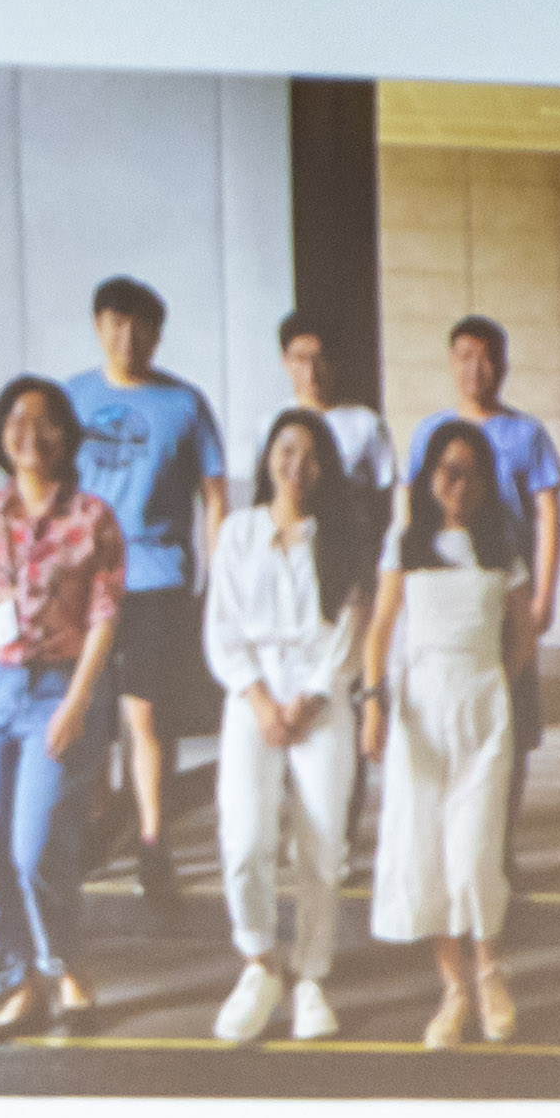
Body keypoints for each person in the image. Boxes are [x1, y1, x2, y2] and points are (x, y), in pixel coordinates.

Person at [0, 374, 127, 1037]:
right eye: (15, 420)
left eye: (43, 421)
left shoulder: (92, 518)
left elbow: (104, 617)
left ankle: (68, 968)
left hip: (55, 690)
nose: (28, 433)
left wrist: (79, 701)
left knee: (35, 849)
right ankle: (16, 985)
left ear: (65, 434)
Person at [364, 424, 538, 1044]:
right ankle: (453, 989)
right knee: (428, 848)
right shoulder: (406, 542)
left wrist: (493, 682)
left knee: (475, 849)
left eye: (471, 472)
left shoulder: (502, 546)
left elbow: (524, 633)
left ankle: (490, 974)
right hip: (421, 708)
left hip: (482, 706)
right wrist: (374, 705)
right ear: (428, 477)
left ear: (487, 481)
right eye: (447, 470)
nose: (458, 484)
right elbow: (380, 629)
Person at [207, 411, 372, 1043]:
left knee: (322, 848)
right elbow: (222, 628)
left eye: (310, 455)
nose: (296, 465)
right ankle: (260, 963)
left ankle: (310, 977)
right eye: (285, 450)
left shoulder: (341, 537)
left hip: (321, 699)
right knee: (246, 840)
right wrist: (260, 701)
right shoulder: (239, 533)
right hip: (251, 697)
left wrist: (309, 699)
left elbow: (350, 629)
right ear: (267, 458)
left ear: (325, 468)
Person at [67, 276, 226, 906]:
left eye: (140, 327)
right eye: (115, 323)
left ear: (158, 334)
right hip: (84, 578)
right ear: (98, 326)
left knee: (146, 713)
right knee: (87, 710)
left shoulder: (184, 404)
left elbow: (215, 497)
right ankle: (97, 818)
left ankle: (153, 841)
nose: (126, 337)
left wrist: (218, 581)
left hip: (157, 577)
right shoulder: (72, 398)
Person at [417, 313, 560, 865]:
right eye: (464, 356)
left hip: (505, 595)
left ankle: (498, 847)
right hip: (445, 600)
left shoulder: (526, 434)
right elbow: (411, 511)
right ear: (450, 362)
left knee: (511, 721)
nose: (474, 368)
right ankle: (446, 846)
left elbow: (549, 515)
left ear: (502, 366)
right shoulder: (431, 433)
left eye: (485, 357)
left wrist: (543, 595)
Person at [278, 308, 393, 505]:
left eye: (319, 358)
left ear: (334, 360)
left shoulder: (366, 423)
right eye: (301, 359)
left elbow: (385, 491)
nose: (311, 371)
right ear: (286, 361)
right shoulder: (274, 423)